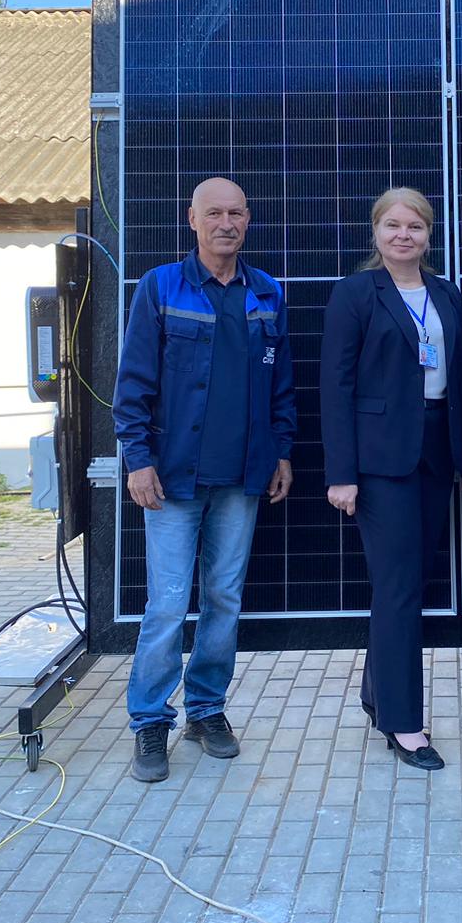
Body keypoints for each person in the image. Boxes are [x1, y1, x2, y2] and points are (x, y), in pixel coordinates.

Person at [112, 177, 296, 784]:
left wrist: (281, 452)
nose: (226, 223)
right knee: (167, 604)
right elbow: (133, 382)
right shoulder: (161, 287)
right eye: (213, 213)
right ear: (191, 219)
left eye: (236, 213)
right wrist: (137, 459)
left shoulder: (266, 293)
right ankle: (149, 721)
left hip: (242, 478)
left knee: (224, 598)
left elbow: (281, 387)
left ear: (248, 219)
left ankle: (207, 709)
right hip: (171, 479)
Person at [320, 188, 462, 772]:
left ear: (428, 234)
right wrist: (341, 474)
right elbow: (335, 388)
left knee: (405, 585)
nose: (403, 235)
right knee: (399, 590)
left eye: (414, 226)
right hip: (379, 464)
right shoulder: (355, 294)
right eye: (392, 225)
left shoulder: (446, 293)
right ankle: (404, 723)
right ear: (376, 231)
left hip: (436, 458)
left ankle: (378, 696)